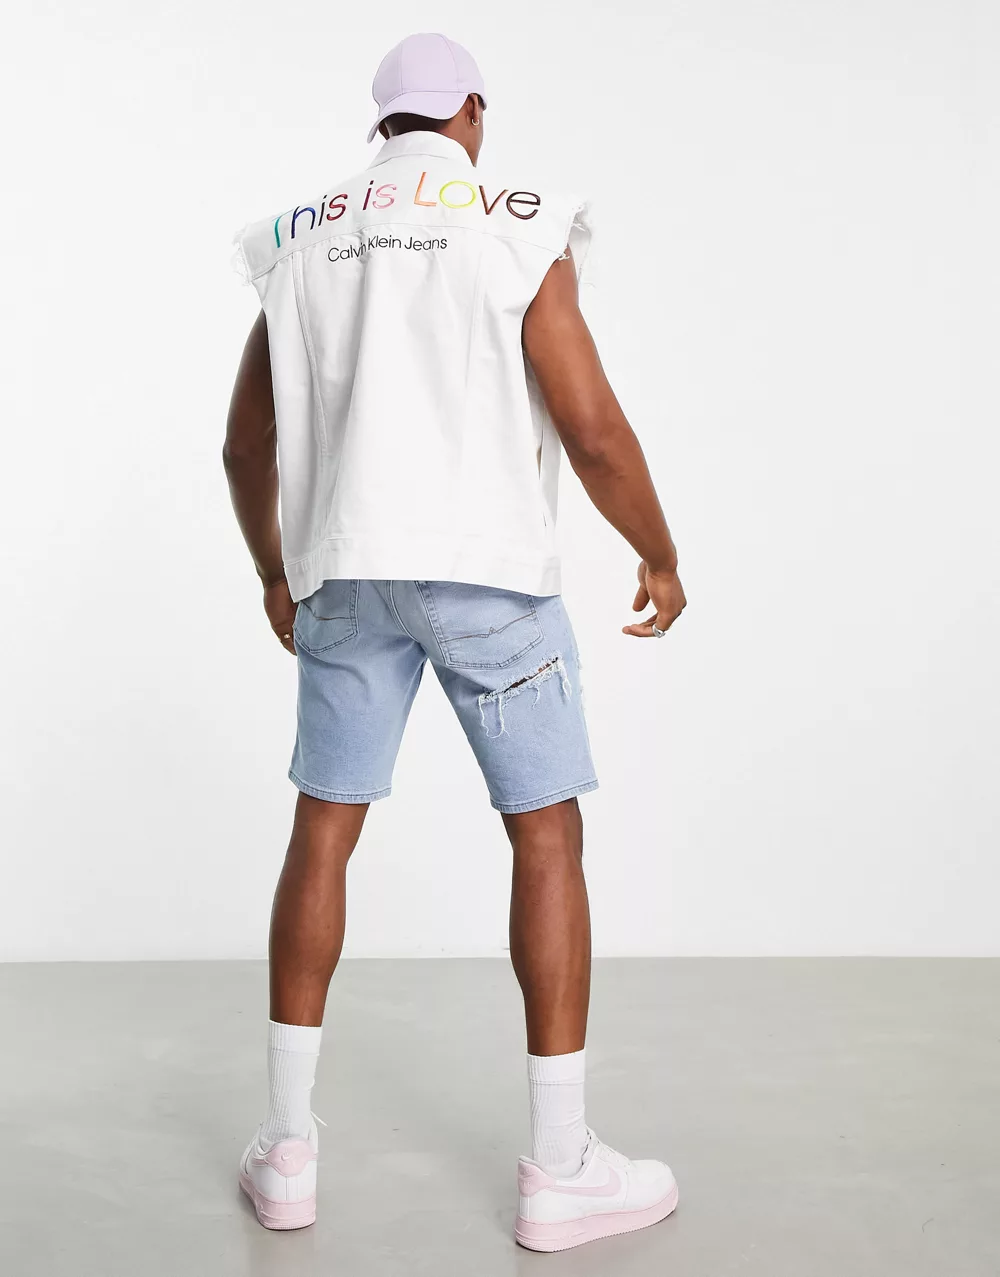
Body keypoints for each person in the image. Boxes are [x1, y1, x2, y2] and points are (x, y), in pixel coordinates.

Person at [224, 31, 687, 1252]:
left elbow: (244, 445)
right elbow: (589, 426)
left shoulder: (302, 237)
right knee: (545, 835)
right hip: (488, 576)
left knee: (323, 827)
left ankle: (287, 1150)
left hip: (345, 570)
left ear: (380, 124)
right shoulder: (517, 225)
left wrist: (275, 568)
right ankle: (560, 1165)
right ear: (471, 112)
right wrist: (658, 549)